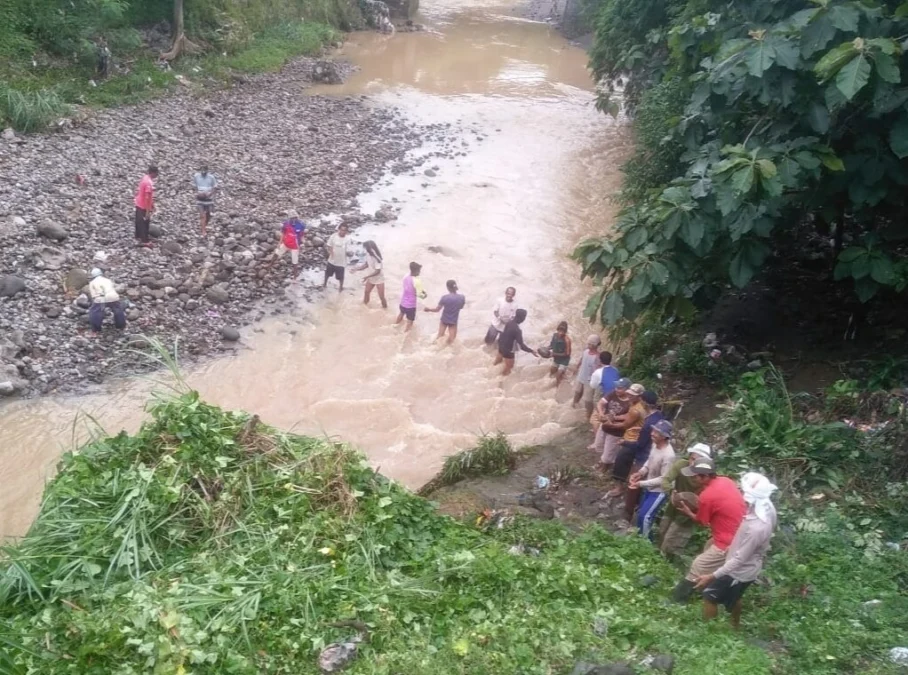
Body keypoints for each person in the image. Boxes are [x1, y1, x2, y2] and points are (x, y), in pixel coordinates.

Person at [695, 472, 778, 628]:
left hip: (738, 572)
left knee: (709, 596)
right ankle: (735, 627)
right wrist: (733, 546)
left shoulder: (757, 528)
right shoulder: (767, 508)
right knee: (735, 596)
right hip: (749, 567)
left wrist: (711, 576)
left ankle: (708, 634)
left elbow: (739, 559)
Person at [669, 457, 747, 603]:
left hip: (728, 542)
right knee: (708, 547)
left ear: (704, 476)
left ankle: (679, 599)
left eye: (695, 475)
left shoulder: (707, 496)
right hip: (740, 533)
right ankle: (706, 585)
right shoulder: (726, 481)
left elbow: (702, 521)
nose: (693, 478)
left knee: (699, 564)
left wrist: (688, 512)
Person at [659, 443, 713, 558]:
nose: (693, 462)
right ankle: (658, 561)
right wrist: (671, 492)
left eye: (697, 461)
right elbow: (665, 480)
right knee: (662, 532)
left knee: (671, 542)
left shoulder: (706, 476)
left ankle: (669, 565)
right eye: (692, 458)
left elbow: (707, 498)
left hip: (688, 513)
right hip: (673, 506)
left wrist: (695, 505)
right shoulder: (681, 465)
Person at [609, 390, 664, 498]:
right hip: (648, 444)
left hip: (646, 451)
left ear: (644, 403)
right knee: (623, 456)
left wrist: (624, 442)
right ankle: (623, 488)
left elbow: (640, 445)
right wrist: (640, 429)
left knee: (632, 473)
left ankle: (631, 501)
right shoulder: (658, 415)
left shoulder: (648, 421)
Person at [629, 419, 676, 538]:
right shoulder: (655, 444)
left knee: (645, 516)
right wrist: (641, 472)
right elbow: (650, 461)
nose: (652, 433)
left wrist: (641, 484)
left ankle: (645, 545)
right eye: (653, 430)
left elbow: (664, 479)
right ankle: (640, 538)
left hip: (659, 491)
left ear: (665, 437)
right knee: (642, 514)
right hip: (649, 487)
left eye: (657, 432)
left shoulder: (669, 455)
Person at [592, 377, 631, 459]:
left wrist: (613, 418)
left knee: (608, 455)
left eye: (620, 388)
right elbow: (600, 403)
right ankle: (602, 462)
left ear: (627, 390)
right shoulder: (613, 393)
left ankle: (606, 465)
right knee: (598, 447)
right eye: (616, 387)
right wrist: (601, 413)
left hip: (616, 431)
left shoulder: (630, 402)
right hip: (604, 425)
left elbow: (627, 418)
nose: (617, 389)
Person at [494, 308, 538, 375]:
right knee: (509, 367)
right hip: (508, 350)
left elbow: (502, 333)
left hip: (501, 345)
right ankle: (500, 382)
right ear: (522, 318)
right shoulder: (517, 330)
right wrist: (531, 351)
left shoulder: (509, 322)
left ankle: (491, 375)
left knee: (496, 363)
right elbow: (522, 346)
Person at [87, 268, 126, 333]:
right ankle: (121, 326)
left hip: (101, 298)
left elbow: (93, 295)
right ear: (101, 274)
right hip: (113, 297)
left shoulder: (92, 283)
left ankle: (96, 329)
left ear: (93, 276)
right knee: (118, 310)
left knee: (95, 312)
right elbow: (113, 288)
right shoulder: (108, 280)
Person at [572, 335, 602, 417]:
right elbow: (582, 359)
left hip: (590, 380)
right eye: (588, 344)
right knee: (577, 392)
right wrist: (577, 367)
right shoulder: (585, 351)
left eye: (590, 344)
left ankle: (588, 414)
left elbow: (598, 369)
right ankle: (574, 405)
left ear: (595, 345)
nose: (588, 346)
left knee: (588, 400)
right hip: (581, 375)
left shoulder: (597, 356)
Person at [396, 262, 427, 331]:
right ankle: (405, 333)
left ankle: (395, 325)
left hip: (403, 302)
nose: (420, 272)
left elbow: (407, 287)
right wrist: (425, 295)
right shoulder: (417, 281)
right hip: (411, 305)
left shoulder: (406, 276)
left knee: (401, 314)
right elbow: (420, 294)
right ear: (416, 271)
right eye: (419, 271)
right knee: (410, 321)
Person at [356, 240, 386, 308]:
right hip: (371, 277)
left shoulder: (377, 258)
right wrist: (356, 269)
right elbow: (366, 264)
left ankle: (385, 308)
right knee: (366, 292)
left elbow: (377, 271)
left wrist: (367, 276)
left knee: (381, 297)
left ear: (370, 248)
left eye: (366, 248)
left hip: (379, 279)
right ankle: (364, 307)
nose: (365, 249)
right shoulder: (368, 254)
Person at [134, 165, 158, 246]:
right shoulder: (149, 183)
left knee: (138, 221)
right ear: (153, 173)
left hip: (138, 203)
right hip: (143, 205)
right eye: (156, 173)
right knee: (144, 223)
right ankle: (145, 240)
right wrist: (148, 210)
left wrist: (153, 205)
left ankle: (138, 236)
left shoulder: (145, 178)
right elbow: (147, 198)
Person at [192, 165, 217, 236]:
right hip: (200, 199)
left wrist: (210, 194)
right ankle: (203, 231)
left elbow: (215, 187)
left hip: (209, 199)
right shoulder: (196, 177)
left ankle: (204, 226)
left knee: (208, 214)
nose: (203, 173)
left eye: (204, 171)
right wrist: (197, 193)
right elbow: (194, 186)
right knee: (202, 215)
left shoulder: (211, 177)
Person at [323, 224, 349, 291]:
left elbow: (348, 250)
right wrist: (331, 254)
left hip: (341, 261)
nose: (343, 232)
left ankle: (340, 287)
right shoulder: (334, 236)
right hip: (332, 260)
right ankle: (324, 284)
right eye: (342, 230)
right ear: (339, 229)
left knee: (341, 277)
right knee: (328, 274)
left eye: (345, 230)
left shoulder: (348, 239)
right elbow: (329, 245)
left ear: (346, 231)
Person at [548, 321, 572, 385]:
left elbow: (567, 354)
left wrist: (554, 354)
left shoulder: (567, 340)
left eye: (563, 331)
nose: (561, 333)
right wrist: (547, 349)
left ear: (565, 332)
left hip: (564, 360)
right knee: (552, 371)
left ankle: (558, 386)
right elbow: (551, 345)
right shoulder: (554, 335)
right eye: (560, 330)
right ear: (557, 329)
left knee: (558, 375)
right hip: (556, 358)